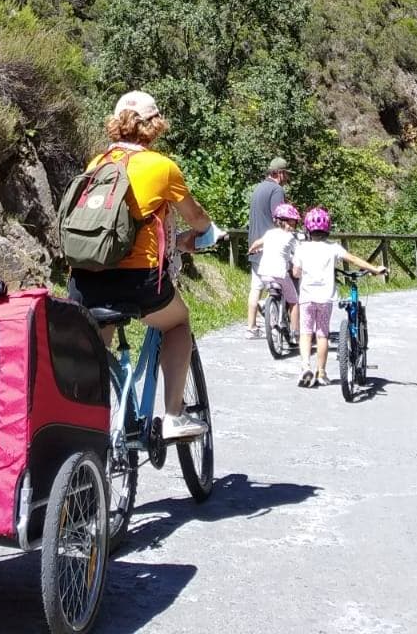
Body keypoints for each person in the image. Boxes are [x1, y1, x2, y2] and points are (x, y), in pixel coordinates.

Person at [67, 90, 219, 440]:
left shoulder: (97, 164)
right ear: (153, 126)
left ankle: (90, 424)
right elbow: (197, 220)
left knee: (97, 340)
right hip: (139, 281)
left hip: (86, 279)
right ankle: (173, 416)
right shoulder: (162, 167)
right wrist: (206, 233)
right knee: (178, 322)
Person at [292, 206, 386, 388]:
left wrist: (300, 271)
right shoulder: (333, 247)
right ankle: (321, 373)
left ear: (308, 229)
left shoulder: (301, 248)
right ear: (327, 229)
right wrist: (374, 269)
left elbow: (296, 273)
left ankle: (305, 367)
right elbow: (354, 259)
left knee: (305, 333)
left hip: (306, 297)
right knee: (322, 334)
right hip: (325, 298)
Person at [245, 157, 290, 337]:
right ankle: (277, 321)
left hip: (254, 243)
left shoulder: (258, 188)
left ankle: (251, 327)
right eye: (286, 173)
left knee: (256, 287)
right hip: (269, 244)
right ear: (279, 173)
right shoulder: (276, 190)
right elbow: (279, 216)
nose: (287, 177)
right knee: (280, 283)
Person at [248, 202, 302, 340]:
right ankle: (296, 333)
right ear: (288, 222)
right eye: (293, 223)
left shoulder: (269, 234)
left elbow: (256, 244)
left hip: (264, 273)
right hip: (280, 274)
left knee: (271, 287)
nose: (294, 225)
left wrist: (252, 250)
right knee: (294, 301)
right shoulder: (291, 238)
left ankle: (266, 304)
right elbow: (298, 253)